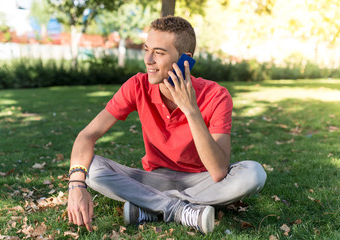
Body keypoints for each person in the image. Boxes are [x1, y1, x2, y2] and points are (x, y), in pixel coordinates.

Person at [67, 16, 267, 234]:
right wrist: (76, 184)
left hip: (202, 181)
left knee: (254, 173)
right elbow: (87, 136)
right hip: (154, 179)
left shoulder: (216, 95)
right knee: (91, 169)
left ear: (185, 60)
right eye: (147, 49)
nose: (148, 60)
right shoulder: (137, 86)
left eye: (159, 53)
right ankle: (181, 211)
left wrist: (191, 110)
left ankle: (151, 208)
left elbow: (218, 171)